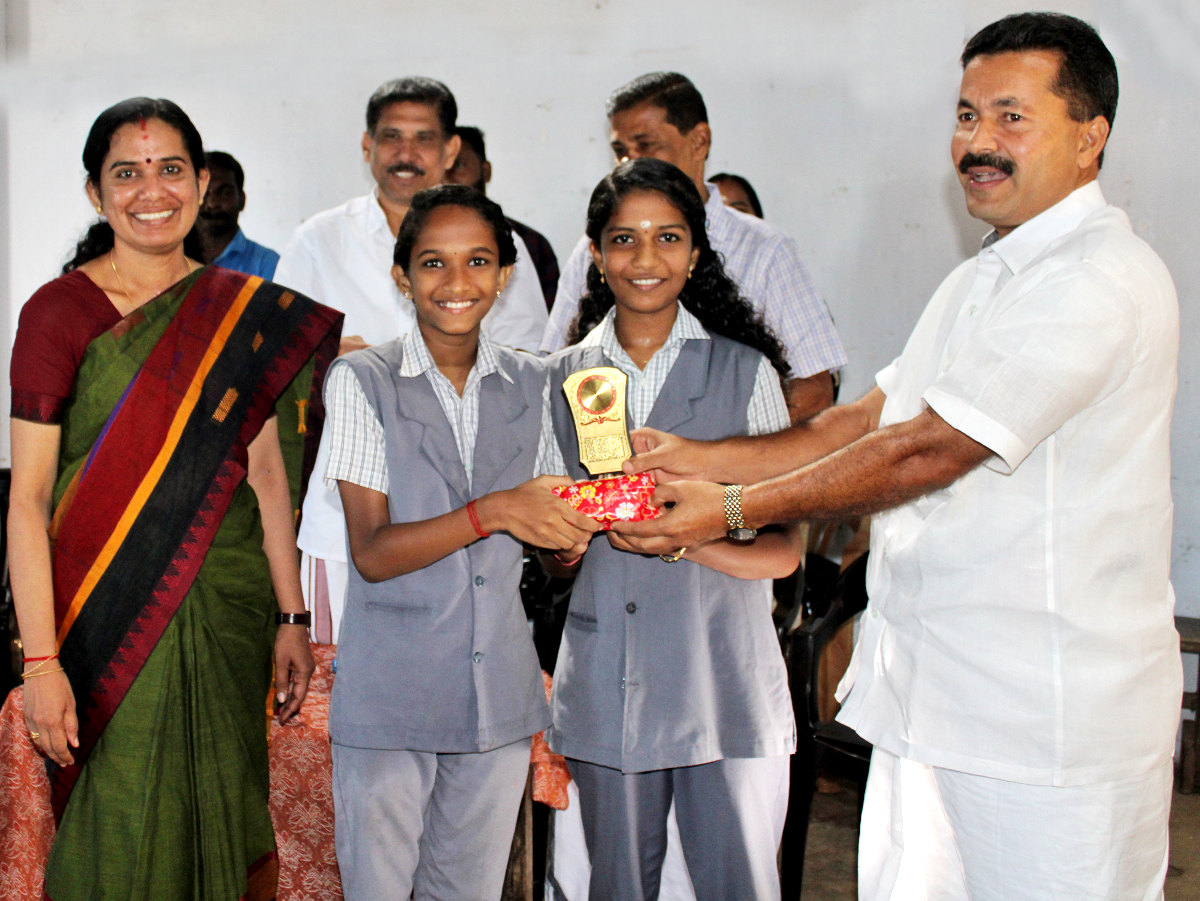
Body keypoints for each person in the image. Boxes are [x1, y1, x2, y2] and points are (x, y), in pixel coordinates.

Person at [616, 13, 1180, 899]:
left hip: (1045, 729)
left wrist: (728, 508)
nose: (978, 143)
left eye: (1011, 117)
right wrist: (705, 456)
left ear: (1089, 136)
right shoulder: (979, 278)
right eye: (966, 116)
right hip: (935, 704)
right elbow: (866, 419)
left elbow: (927, 451)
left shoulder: (1096, 278)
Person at [7, 97, 341, 900]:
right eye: (127, 172)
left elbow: (267, 473)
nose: (151, 190)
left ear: (200, 182)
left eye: (170, 169)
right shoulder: (58, 313)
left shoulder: (239, 311)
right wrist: (40, 661)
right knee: (117, 824)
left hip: (229, 605)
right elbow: (28, 498)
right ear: (96, 193)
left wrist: (292, 616)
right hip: (105, 612)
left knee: (221, 810)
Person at [325, 184, 597, 899]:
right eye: (432, 263)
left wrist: (568, 541)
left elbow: (549, 553)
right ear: (402, 276)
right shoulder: (362, 380)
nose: (457, 282)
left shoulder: (536, 382)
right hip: (391, 698)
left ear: (504, 275)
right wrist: (497, 510)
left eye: (478, 261)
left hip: (496, 699)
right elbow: (373, 552)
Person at [543, 158, 804, 901]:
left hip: (722, 674)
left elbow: (783, 551)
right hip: (609, 673)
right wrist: (566, 544)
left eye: (668, 237)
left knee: (736, 883)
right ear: (597, 256)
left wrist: (691, 535)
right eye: (623, 239)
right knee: (618, 883)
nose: (645, 258)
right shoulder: (561, 376)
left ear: (695, 253)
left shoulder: (745, 373)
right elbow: (554, 561)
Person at [276, 77, 549, 643]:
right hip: (349, 522)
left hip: (479, 514)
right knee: (350, 677)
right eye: (391, 137)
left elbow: (530, 364)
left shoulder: (500, 245)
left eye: (423, 138)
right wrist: (336, 361)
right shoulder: (318, 241)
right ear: (367, 146)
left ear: (452, 149)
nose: (406, 153)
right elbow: (281, 366)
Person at [539, 72, 846, 424]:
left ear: (699, 141)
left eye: (646, 145)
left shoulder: (765, 249)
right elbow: (553, 373)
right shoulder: (590, 249)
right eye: (620, 152)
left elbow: (814, 390)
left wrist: (722, 444)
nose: (630, 162)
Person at [448, 125, 561, 310]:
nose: (447, 179)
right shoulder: (413, 239)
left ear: (486, 171)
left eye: (458, 165)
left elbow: (551, 322)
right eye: (442, 167)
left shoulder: (531, 244)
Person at [196, 149, 281, 278]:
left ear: (242, 200)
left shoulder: (268, 264)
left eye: (225, 193)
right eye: (204, 193)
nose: (212, 204)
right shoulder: (171, 259)